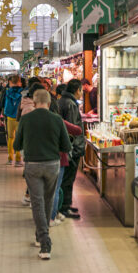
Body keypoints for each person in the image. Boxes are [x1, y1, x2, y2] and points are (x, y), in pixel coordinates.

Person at [14, 89, 71, 260]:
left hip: (33, 165)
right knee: (48, 200)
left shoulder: (26, 119)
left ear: (34, 102)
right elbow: (66, 146)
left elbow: (17, 145)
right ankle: (42, 236)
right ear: (48, 102)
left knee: (37, 202)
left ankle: (44, 240)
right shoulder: (57, 119)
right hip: (52, 165)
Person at [58, 79, 85, 219]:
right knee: (67, 180)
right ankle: (63, 207)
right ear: (77, 90)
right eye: (81, 90)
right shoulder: (70, 104)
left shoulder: (63, 101)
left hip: (67, 149)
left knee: (66, 179)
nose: (82, 93)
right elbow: (73, 129)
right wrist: (74, 149)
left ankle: (66, 204)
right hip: (71, 150)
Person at [4, 74, 23, 166]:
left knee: (11, 138)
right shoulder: (23, 92)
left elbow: (5, 104)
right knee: (19, 137)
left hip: (10, 116)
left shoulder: (7, 92)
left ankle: (10, 158)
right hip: (20, 116)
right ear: (19, 82)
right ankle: (18, 159)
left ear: (11, 82)